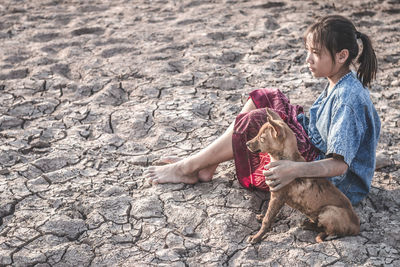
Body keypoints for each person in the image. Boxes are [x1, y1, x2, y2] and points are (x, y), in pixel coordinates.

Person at [144, 15, 381, 206]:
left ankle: (189, 167)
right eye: (308, 50)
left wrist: (294, 169)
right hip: (315, 147)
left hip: (335, 185)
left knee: (258, 122)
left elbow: (339, 166)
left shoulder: (348, 100)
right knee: (265, 97)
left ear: (342, 56)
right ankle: (205, 164)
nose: (308, 59)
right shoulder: (337, 80)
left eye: (316, 53)